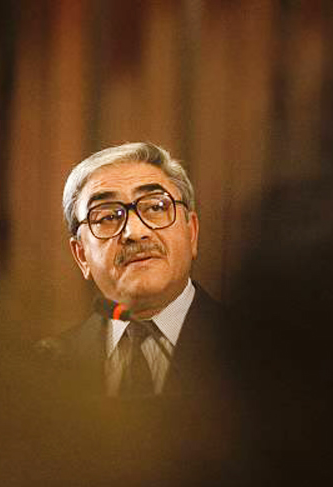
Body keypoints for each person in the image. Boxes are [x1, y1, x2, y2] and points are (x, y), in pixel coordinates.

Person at [40, 142, 232, 401]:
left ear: (191, 233)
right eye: (108, 217)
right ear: (82, 256)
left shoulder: (262, 351)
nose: (134, 232)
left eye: (155, 207)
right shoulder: (48, 366)